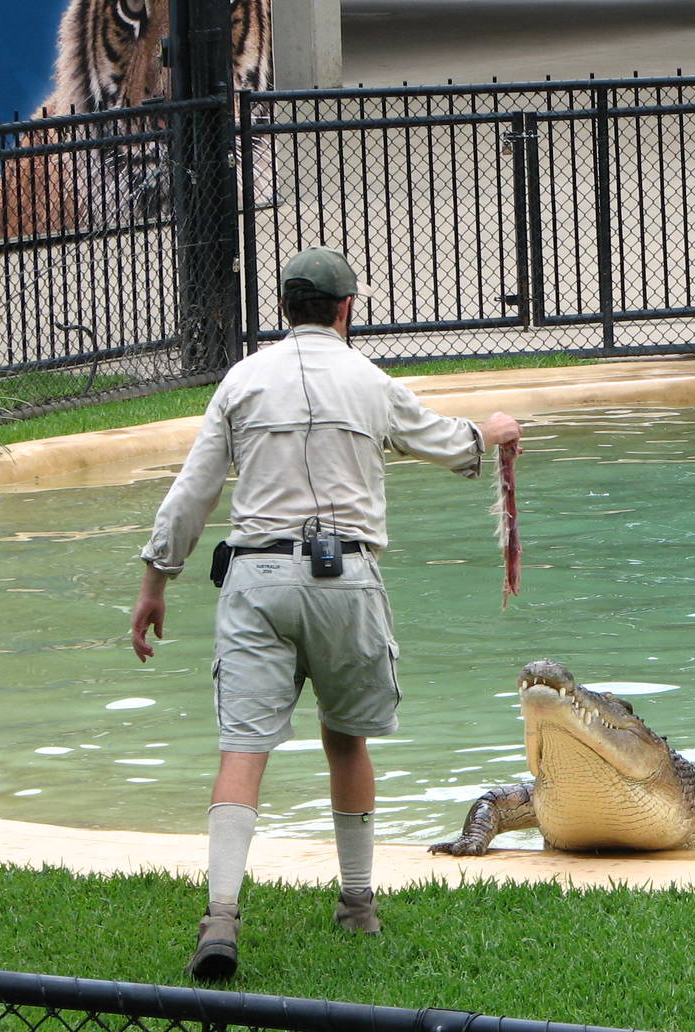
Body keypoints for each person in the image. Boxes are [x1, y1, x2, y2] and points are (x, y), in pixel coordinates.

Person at [129, 245, 521, 982]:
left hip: (257, 577)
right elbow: (446, 443)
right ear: (346, 309)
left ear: (286, 308)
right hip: (349, 580)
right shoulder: (369, 381)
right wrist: (493, 432)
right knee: (346, 742)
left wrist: (156, 582)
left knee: (242, 753)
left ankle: (220, 917)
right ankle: (358, 904)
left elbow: (193, 492)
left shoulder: (242, 381)